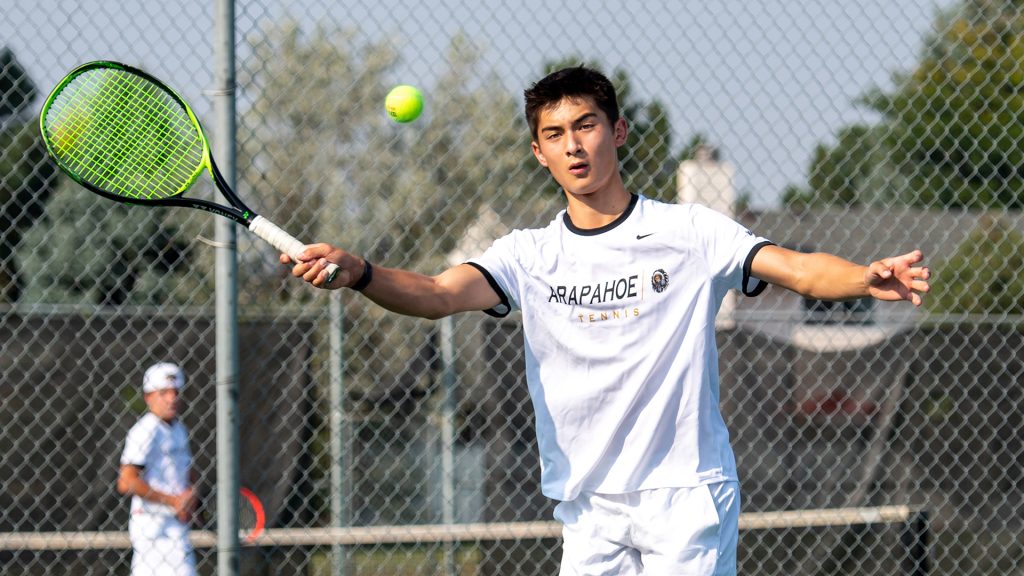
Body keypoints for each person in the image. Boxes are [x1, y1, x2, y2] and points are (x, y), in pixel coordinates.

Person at [283, 66, 930, 575]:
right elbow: (436, 292)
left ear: (617, 132)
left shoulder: (689, 233)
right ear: (539, 153)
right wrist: (362, 273)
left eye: (586, 126)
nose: (574, 145)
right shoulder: (526, 255)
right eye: (556, 135)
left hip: (685, 498)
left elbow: (795, 267)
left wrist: (863, 276)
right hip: (588, 509)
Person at [117, 362, 198, 576]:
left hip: (176, 527)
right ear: (148, 397)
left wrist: (191, 494)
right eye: (163, 393)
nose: (171, 399)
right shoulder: (145, 430)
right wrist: (173, 502)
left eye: (175, 392)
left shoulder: (179, 429)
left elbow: (187, 473)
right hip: (153, 528)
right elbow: (126, 481)